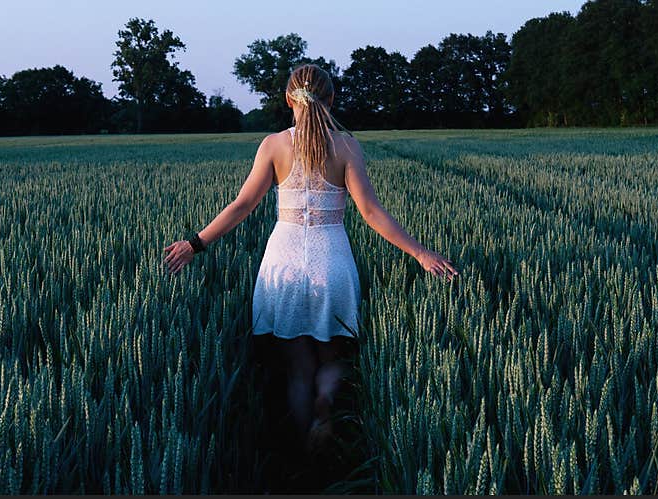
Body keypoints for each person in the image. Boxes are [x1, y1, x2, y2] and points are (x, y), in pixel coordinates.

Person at [164, 63, 457, 456]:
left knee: (297, 367)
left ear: (288, 99)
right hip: (331, 261)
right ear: (331, 99)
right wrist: (421, 253)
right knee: (332, 355)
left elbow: (242, 205)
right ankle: (327, 401)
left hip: (283, 263)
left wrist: (194, 243)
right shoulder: (347, 146)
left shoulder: (273, 145)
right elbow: (371, 212)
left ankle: (305, 454)